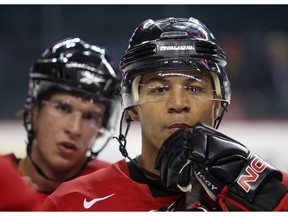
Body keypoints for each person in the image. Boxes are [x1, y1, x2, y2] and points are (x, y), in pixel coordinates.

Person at [41, 17, 288, 211]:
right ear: (133, 106)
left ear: (217, 103)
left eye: (194, 88)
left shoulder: (276, 192)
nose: (178, 103)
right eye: (159, 89)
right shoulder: (71, 203)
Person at [1, 37, 122, 204]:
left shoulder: (117, 188)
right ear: (35, 109)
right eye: (63, 108)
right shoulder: (3, 182)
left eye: (90, 116)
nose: (74, 129)